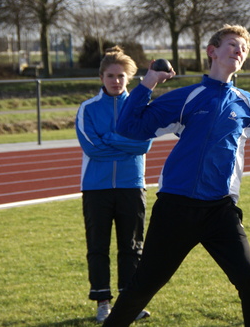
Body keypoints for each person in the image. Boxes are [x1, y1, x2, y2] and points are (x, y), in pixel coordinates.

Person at [102, 25, 250, 327]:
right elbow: (128, 126)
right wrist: (148, 82)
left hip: (219, 211)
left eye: (243, 48)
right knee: (142, 287)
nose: (238, 50)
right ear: (212, 51)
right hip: (175, 208)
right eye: (232, 44)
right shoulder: (188, 96)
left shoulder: (248, 104)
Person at [76, 47, 152, 323]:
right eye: (110, 75)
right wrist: (125, 145)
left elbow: (143, 144)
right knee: (98, 247)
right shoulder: (88, 109)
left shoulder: (141, 107)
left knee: (132, 247)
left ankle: (129, 304)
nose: (115, 81)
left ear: (129, 78)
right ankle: (102, 303)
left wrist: (109, 137)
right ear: (101, 77)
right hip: (96, 188)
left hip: (132, 184)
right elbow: (92, 148)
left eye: (121, 76)